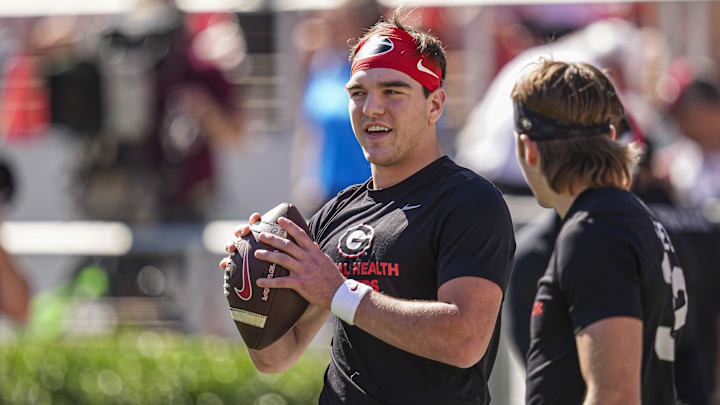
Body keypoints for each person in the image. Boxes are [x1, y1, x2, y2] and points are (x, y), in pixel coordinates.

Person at [221, 15, 515, 405]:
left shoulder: (470, 201)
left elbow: (464, 339)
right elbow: (276, 358)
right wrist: (252, 292)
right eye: (358, 93)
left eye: (393, 91)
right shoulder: (336, 212)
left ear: (435, 105)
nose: (371, 108)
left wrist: (340, 294)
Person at [511, 60, 687, 405]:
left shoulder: (594, 233)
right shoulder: (632, 220)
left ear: (528, 148)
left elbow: (615, 396)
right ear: (609, 138)